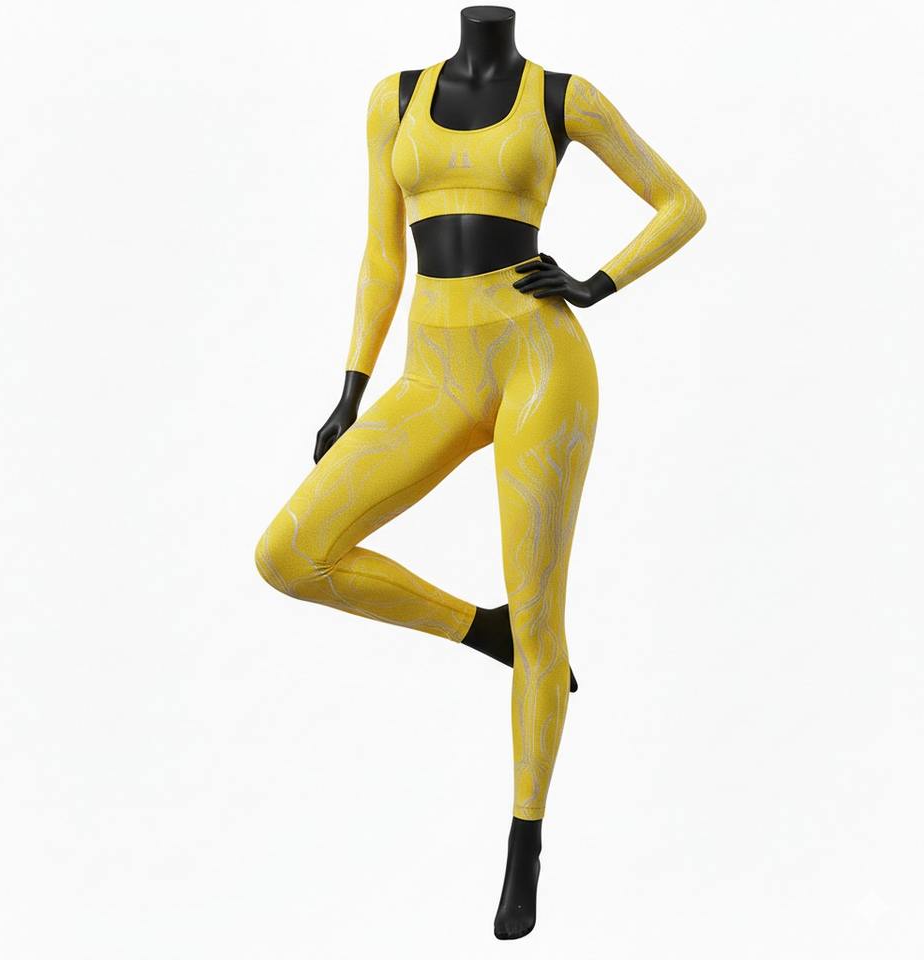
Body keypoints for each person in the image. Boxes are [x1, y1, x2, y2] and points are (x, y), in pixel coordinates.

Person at [255, 5, 705, 940]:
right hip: (432, 373)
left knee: (543, 614)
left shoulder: (562, 97)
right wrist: (351, 389)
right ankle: (479, 629)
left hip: (539, 358)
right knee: (290, 555)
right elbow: (383, 254)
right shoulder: (394, 98)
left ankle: (525, 842)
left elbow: (680, 205)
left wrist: (597, 284)